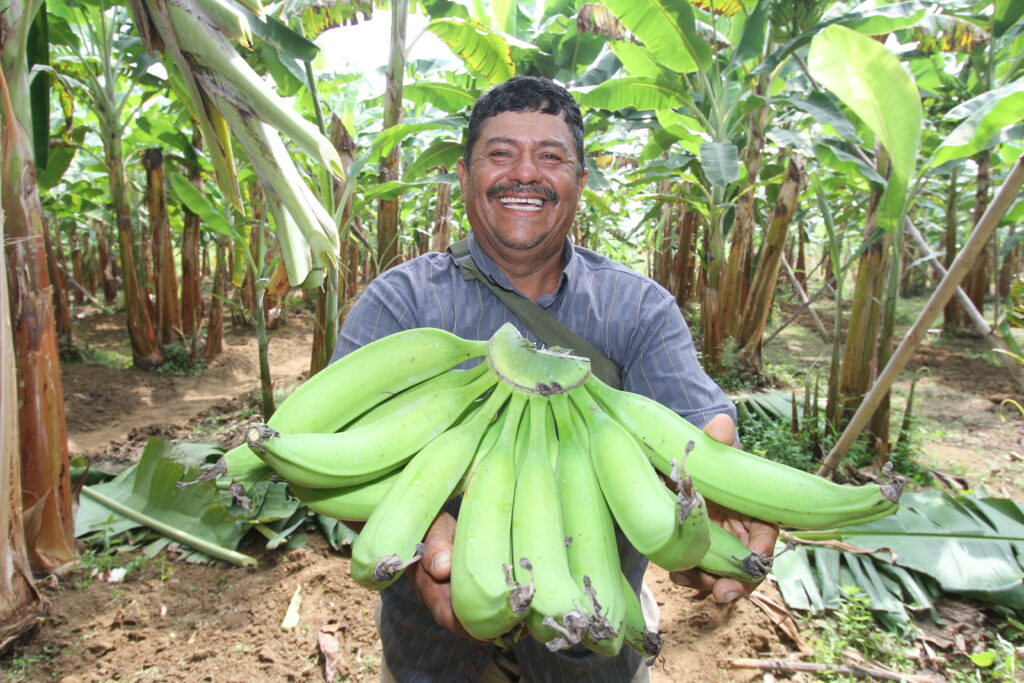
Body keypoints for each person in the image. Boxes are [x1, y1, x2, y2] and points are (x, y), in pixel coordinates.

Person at [331, 75, 779, 683]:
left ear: (580, 183)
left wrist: (719, 497)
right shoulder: (401, 305)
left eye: (550, 156)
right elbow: (340, 452)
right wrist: (421, 546)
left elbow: (700, 422)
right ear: (463, 177)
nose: (524, 173)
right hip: (432, 659)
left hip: (595, 651)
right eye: (499, 154)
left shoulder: (635, 307)